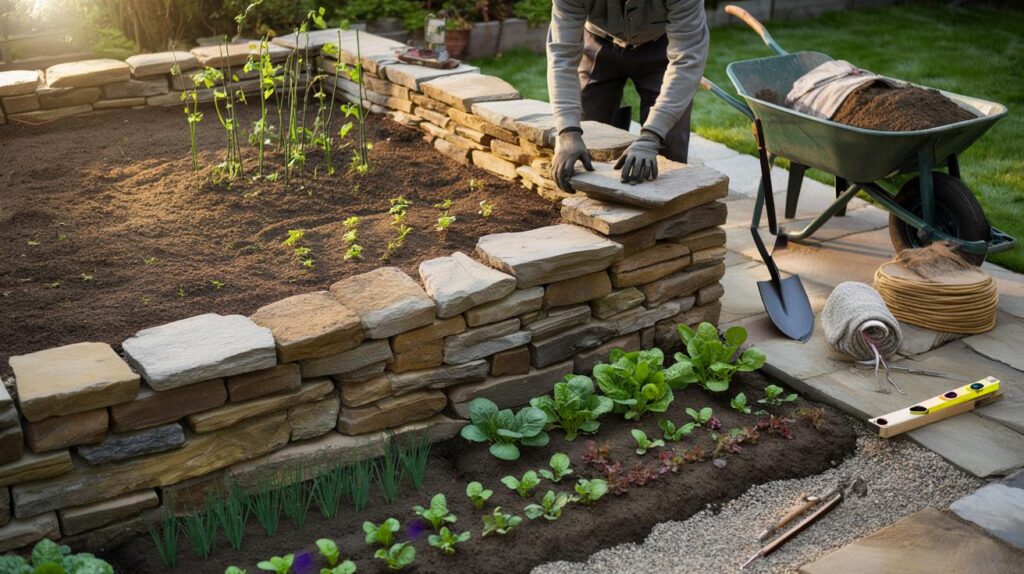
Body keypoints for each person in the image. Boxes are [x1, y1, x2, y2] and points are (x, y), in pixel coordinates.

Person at [547, 0, 710, 192]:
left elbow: (687, 60)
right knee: (589, 136)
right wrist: (567, 130)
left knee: (669, 144)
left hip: (661, 48)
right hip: (598, 46)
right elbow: (562, 57)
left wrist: (652, 135)